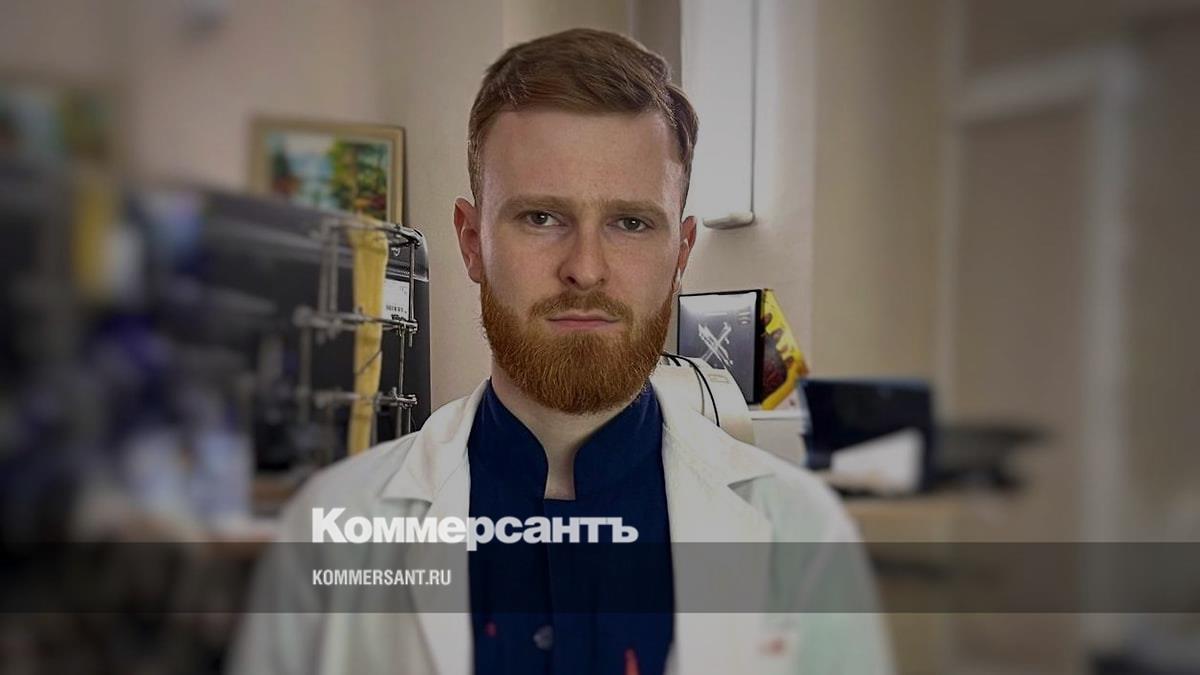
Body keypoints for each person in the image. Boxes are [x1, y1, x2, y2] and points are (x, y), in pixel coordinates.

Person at [230, 28, 893, 675]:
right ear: (471, 242)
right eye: (541, 217)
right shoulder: (330, 530)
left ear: (682, 252)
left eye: (630, 222)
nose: (585, 269)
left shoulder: (803, 539)